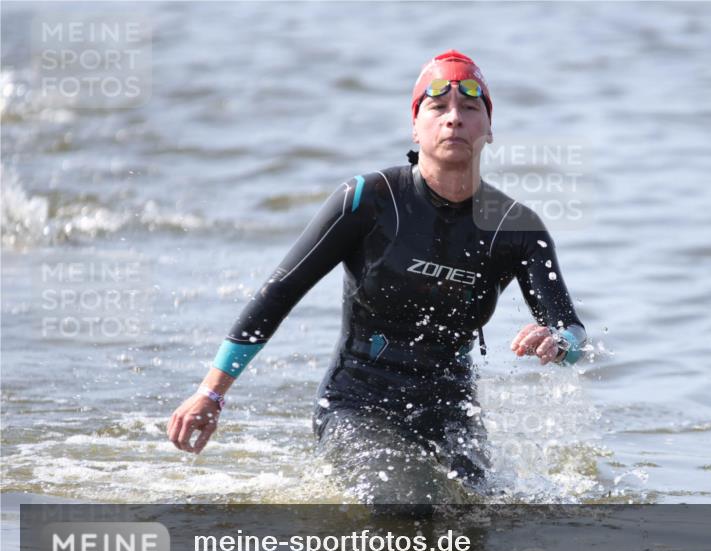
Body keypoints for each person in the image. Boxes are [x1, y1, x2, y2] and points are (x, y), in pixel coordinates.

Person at [168, 50, 587, 503]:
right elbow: (279, 294)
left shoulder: (516, 227)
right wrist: (211, 395)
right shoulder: (366, 200)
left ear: (489, 128)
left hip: (450, 412)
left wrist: (557, 343)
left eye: (470, 108)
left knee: (481, 515)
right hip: (357, 402)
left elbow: (572, 331)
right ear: (415, 125)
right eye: (437, 107)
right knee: (403, 505)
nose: (453, 119)